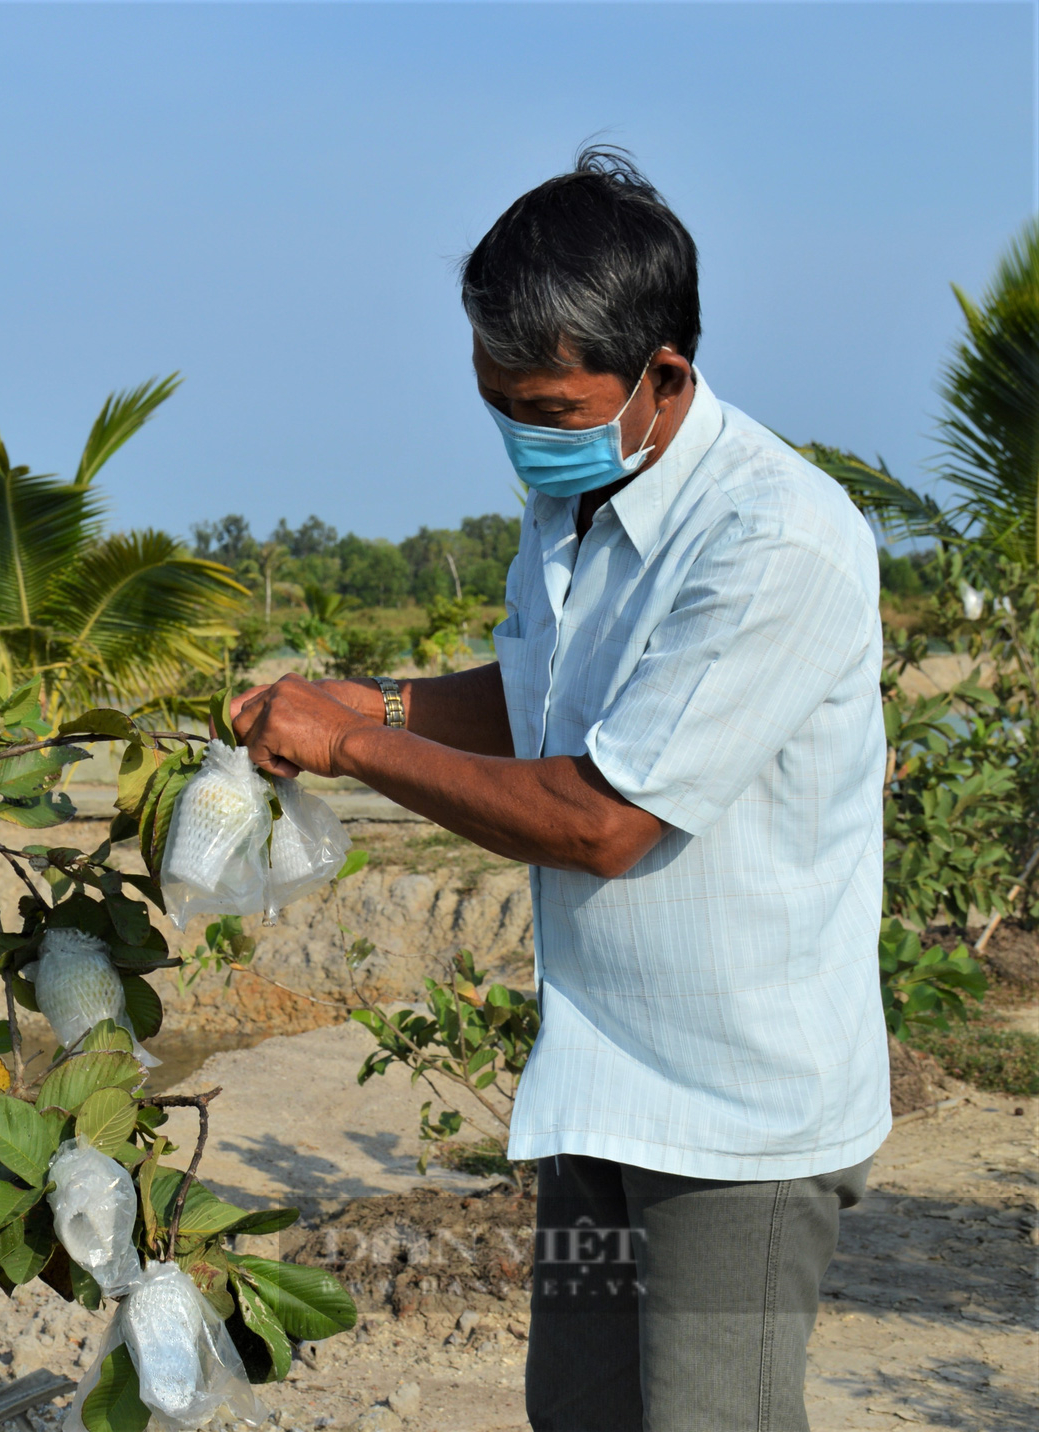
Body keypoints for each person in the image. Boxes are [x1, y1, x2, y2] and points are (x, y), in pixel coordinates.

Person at [232, 148, 887, 1431]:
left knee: (715, 1420)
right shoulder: (578, 502)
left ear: (663, 379)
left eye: (541, 403)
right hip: (602, 1086)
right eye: (494, 399)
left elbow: (600, 817)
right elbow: (542, 696)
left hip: (733, 1127)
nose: (518, 432)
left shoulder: (773, 542)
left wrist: (352, 749)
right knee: (579, 1412)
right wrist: (366, 700)